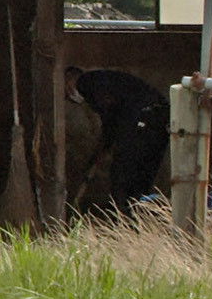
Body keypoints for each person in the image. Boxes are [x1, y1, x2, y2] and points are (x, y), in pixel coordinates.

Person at [65, 66, 169, 212]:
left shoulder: (85, 82)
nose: (69, 96)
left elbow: (110, 114)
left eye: (66, 90)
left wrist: (105, 143)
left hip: (141, 121)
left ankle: (125, 215)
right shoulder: (105, 81)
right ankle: (137, 215)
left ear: (70, 81)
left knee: (122, 174)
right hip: (159, 121)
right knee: (141, 176)